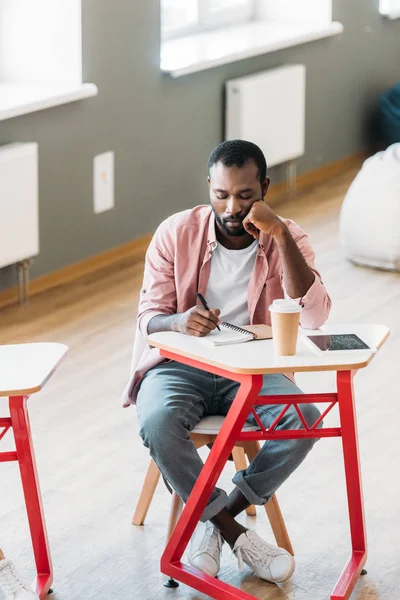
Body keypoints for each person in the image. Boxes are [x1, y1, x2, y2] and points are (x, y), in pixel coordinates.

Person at [122, 140, 331, 584]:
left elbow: (314, 315)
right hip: (179, 366)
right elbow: (148, 319)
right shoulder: (176, 233)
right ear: (209, 189)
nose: (232, 207)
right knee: (158, 421)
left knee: (304, 420)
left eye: (245, 195)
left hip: (253, 371)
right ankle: (238, 534)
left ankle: (216, 522)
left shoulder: (288, 236)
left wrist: (280, 237)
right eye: (221, 195)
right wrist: (180, 320)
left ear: (265, 189)